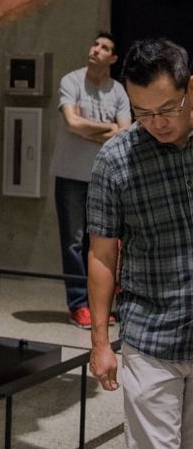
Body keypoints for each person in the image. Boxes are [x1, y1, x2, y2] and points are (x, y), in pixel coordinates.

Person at [88, 37, 193, 449]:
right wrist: (101, 343)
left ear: (190, 89)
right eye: (143, 112)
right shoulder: (115, 159)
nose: (157, 123)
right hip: (152, 334)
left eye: (168, 109)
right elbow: (103, 255)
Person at [48, 31, 131, 327]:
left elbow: (126, 131)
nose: (96, 50)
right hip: (70, 174)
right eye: (95, 44)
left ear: (113, 58)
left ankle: (103, 305)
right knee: (72, 242)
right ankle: (78, 304)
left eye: (105, 47)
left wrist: (88, 129)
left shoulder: (118, 91)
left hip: (103, 178)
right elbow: (72, 122)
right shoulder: (72, 81)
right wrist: (107, 128)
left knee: (101, 243)